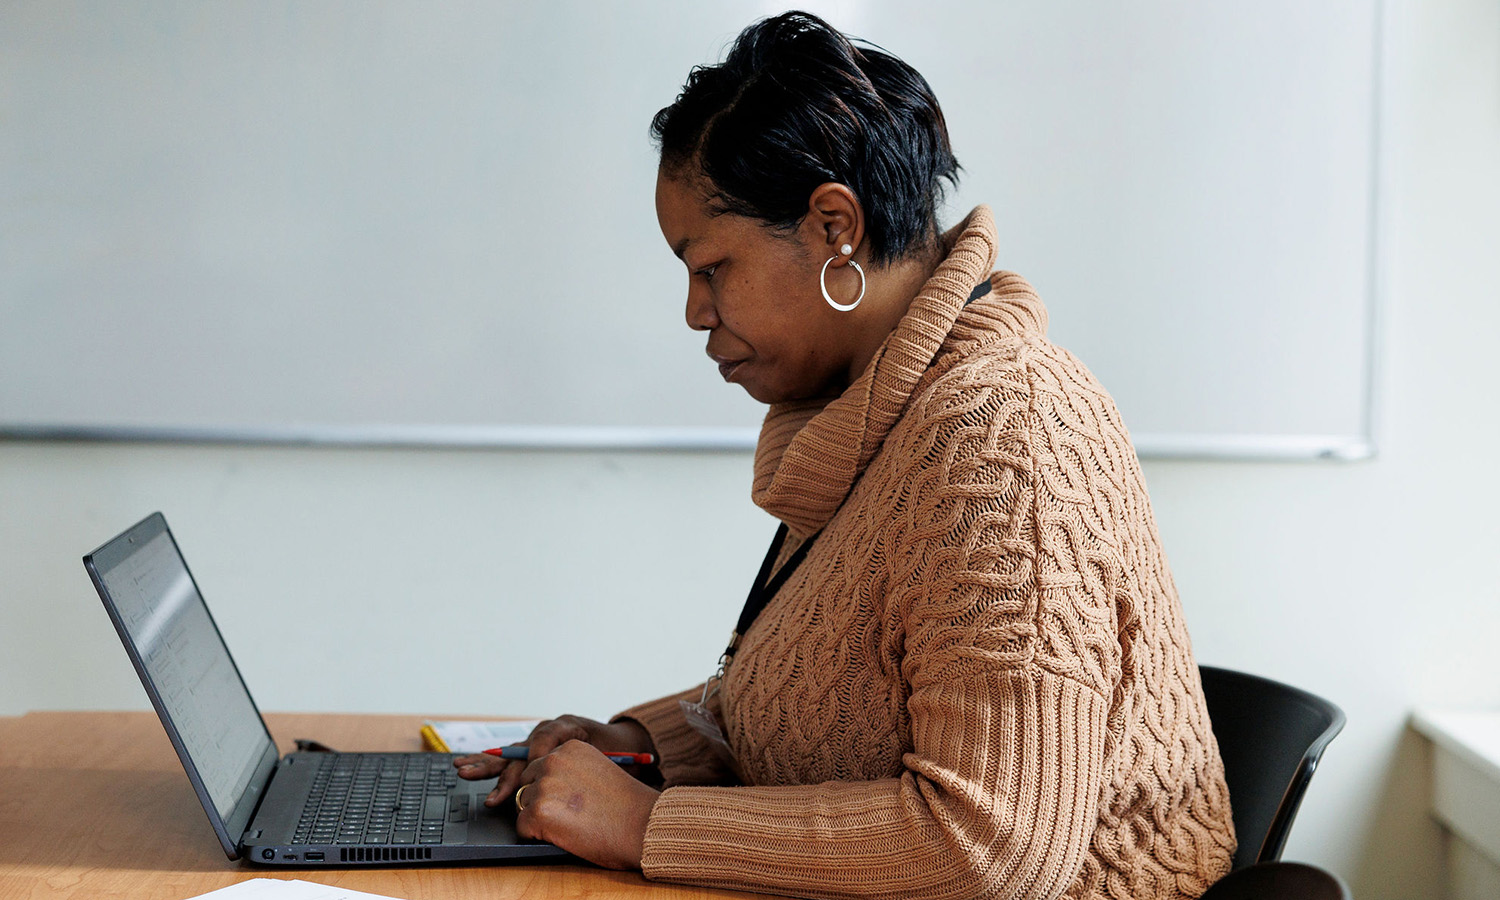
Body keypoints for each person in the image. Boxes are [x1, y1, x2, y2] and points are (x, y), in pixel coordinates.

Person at [455, 11, 1236, 899]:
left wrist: (646, 824)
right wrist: (642, 747)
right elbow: (831, 697)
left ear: (835, 228)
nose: (694, 312)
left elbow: (993, 848)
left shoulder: (1004, 435)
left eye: (711, 267)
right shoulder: (879, 416)